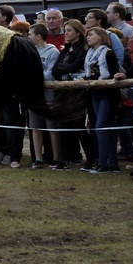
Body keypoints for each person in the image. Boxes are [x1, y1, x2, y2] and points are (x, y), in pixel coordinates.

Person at [51, 19, 94, 170]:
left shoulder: (83, 48)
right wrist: (66, 68)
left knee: (78, 125)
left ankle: (91, 159)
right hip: (63, 92)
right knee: (63, 125)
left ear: (77, 31)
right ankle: (65, 159)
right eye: (65, 30)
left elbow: (77, 66)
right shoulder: (66, 49)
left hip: (77, 92)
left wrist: (65, 68)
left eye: (69, 30)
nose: (66, 33)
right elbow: (54, 69)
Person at [27, 23, 64, 169]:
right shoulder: (29, 51)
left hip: (49, 95)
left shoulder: (52, 52)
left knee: (51, 128)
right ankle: (38, 158)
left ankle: (56, 158)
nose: (28, 37)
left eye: (30, 34)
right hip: (33, 96)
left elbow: (50, 74)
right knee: (35, 127)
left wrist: (33, 78)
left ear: (38, 36)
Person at [84, 27, 121, 174]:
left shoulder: (108, 53)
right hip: (95, 94)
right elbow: (90, 74)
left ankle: (103, 162)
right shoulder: (89, 54)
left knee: (102, 127)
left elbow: (111, 75)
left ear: (100, 37)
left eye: (91, 34)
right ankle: (112, 163)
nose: (88, 37)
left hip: (107, 94)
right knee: (107, 129)